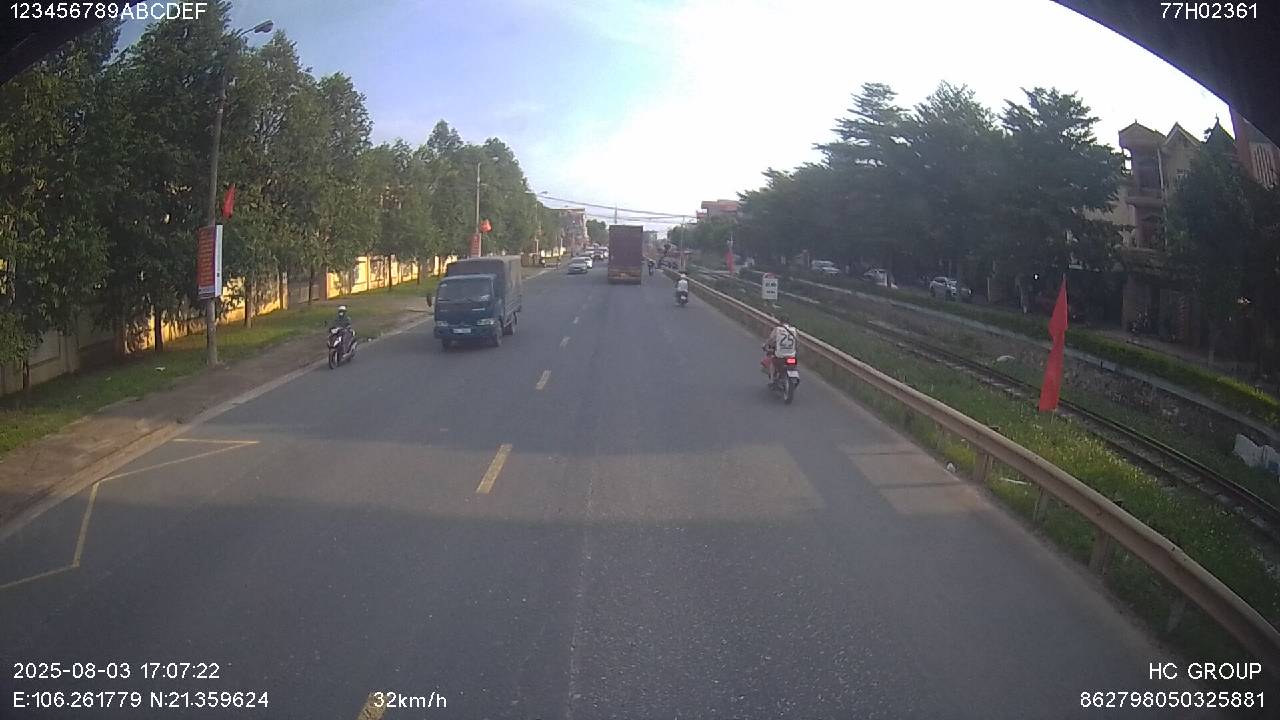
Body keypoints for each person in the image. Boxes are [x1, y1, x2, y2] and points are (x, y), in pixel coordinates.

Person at [762, 314, 798, 384]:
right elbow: (796, 342)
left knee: (772, 362)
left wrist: (765, 345)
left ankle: (772, 380)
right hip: (791, 357)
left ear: (780, 322)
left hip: (780, 356)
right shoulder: (794, 330)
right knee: (793, 366)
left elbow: (770, 339)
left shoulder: (777, 329)